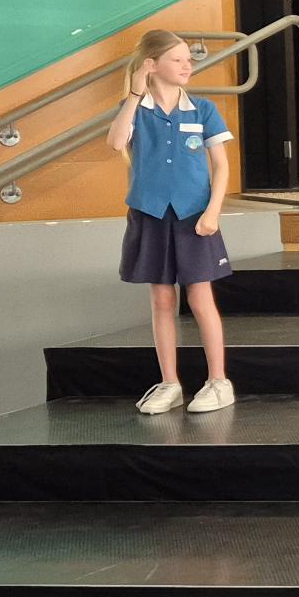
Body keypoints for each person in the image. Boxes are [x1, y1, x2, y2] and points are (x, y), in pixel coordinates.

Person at [106, 29, 234, 415]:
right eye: (177, 59)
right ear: (152, 63)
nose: (187, 65)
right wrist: (133, 92)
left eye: (188, 60)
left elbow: (222, 165)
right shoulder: (136, 110)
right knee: (162, 299)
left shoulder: (203, 110)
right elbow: (115, 143)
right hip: (150, 214)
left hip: (194, 216)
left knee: (199, 296)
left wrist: (213, 211)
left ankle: (218, 381)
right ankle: (170, 383)